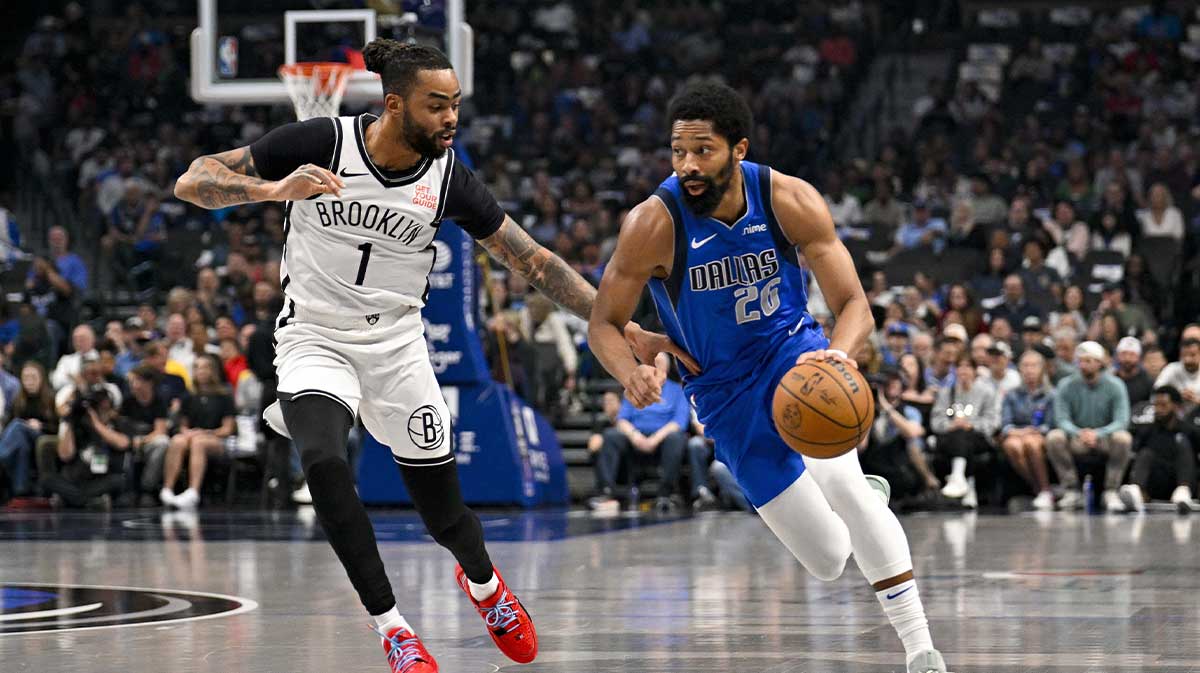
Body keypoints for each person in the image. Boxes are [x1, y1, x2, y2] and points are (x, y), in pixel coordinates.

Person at [173, 38, 679, 672]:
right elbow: (192, 180)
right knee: (326, 463)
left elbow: (536, 262)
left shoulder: (448, 179)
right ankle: (394, 629)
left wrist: (622, 323)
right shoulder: (321, 142)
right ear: (393, 105)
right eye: (436, 106)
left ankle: (486, 585)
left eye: (455, 105)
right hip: (313, 338)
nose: (451, 119)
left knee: (445, 515)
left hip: (397, 347)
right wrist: (274, 190)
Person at [587, 82, 945, 673]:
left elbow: (855, 304)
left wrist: (837, 355)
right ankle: (858, 504)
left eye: (702, 151)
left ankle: (919, 649)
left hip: (793, 357)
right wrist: (631, 371)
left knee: (848, 491)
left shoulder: (786, 198)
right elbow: (604, 323)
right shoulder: (652, 223)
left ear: (739, 149)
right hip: (722, 393)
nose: (688, 166)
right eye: (678, 152)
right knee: (828, 558)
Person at [592, 353, 689, 512]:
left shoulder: (677, 390)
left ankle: (665, 494)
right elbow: (622, 419)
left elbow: (679, 422)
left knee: (676, 438)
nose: (656, 368)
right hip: (636, 438)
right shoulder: (636, 388)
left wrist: (654, 439)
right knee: (611, 436)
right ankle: (607, 492)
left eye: (659, 364)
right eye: (653, 363)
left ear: (667, 368)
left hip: (663, 439)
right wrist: (635, 436)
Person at [1046, 341, 1133, 512]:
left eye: (1088, 361)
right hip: (1077, 438)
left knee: (1123, 438)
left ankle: (1111, 490)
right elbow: (1061, 419)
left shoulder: (1116, 385)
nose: (1083, 365)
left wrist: (1098, 433)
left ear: (1100, 363)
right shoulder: (1066, 385)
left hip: (1105, 439)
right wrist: (1080, 433)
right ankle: (1071, 490)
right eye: (1081, 361)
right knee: (1054, 437)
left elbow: (1122, 421)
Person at [160, 355, 234, 509]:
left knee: (198, 443)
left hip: (216, 439)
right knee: (178, 440)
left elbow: (227, 429)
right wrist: (188, 433)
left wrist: (206, 432)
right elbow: (183, 425)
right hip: (193, 436)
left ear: (213, 371)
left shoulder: (224, 396)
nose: (201, 371)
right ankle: (167, 489)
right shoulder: (188, 397)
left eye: (205, 367)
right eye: (197, 368)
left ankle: (193, 491)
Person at [930, 354, 999, 506]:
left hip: (978, 436)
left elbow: (992, 421)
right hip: (950, 437)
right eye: (960, 367)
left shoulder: (987, 392)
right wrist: (951, 425)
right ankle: (967, 484)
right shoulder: (946, 393)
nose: (963, 370)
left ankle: (958, 476)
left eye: (968, 366)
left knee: (964, 435)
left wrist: (972, 425)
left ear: (975, 371)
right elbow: (936, 421)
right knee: (959, 434)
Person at [862, 371, 938, 503]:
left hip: (900, 466)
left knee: (912, 444)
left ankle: (929, 482)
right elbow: (861, 446)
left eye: (897, 382)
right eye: (889, 382)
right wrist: (869, 409)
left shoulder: (909, 410)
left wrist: (886, 406)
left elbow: (912, 432)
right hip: (874, 464)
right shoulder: (869, 411)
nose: (893, 385)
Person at [1118, 386, 1196, 513]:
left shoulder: (1188, 431)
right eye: (1156, 405)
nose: (1158, 409)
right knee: (1145, 453)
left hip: (1180, 480)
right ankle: (1136, 492)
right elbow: (1136, 459)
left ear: (1176, 406)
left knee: (1184, 446)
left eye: (1163, 405)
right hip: (1155, 480)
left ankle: (1182, 493)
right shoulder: (1147, 431)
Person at [999, 350, 1056, 510]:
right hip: (1018, 433)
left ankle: (1044, 488)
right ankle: (1037, 488)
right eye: (1025, 366)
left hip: (1038, 434)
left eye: (1034, 366)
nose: (1029, 370)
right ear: (1019, 369)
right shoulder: (1011, 395)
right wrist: (1021, 432)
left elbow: (1051, 424)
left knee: (1031, 443)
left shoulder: (1050, 394)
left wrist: (1031, 432)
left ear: (1041, 369)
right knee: (1013, 446)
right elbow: (1006, 424)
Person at [0, 362, 58, 497]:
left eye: (33, 377)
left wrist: (41, 426)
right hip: (23, 438)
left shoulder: (51, 398)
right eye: (26, 378)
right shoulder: (18, 400)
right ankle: (20, 488)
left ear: (41, 378)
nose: (29, 381)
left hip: (42, 437)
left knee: (18, 426)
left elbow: (59, 428)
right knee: (22, 443)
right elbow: (8, 427)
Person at [120, 364, 171, 503]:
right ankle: (126, 489)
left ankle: (147, 488)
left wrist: (142, 441)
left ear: (149, 383)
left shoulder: (159, 401)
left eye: (137, 380)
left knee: (163, 442)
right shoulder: (127, 401)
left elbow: (160, 430)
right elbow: (121, 425)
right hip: (128, 440)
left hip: (148, 441)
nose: (133, 385)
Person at [1154, 338, 1200, 414]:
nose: (1188, 360)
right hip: (1176, 418)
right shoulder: (1171, 369)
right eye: (1184, 355)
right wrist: (1176, 396)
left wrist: (1196, 400)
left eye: (1192, 355)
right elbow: (1156, 391)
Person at [1114, 336, 1154, 405]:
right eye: (1124, 354)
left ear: (1139, 357)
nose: (1127, 358)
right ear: (1117, 356)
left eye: (1132, 354)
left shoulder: (1147, 382)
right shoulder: (1112, 379)